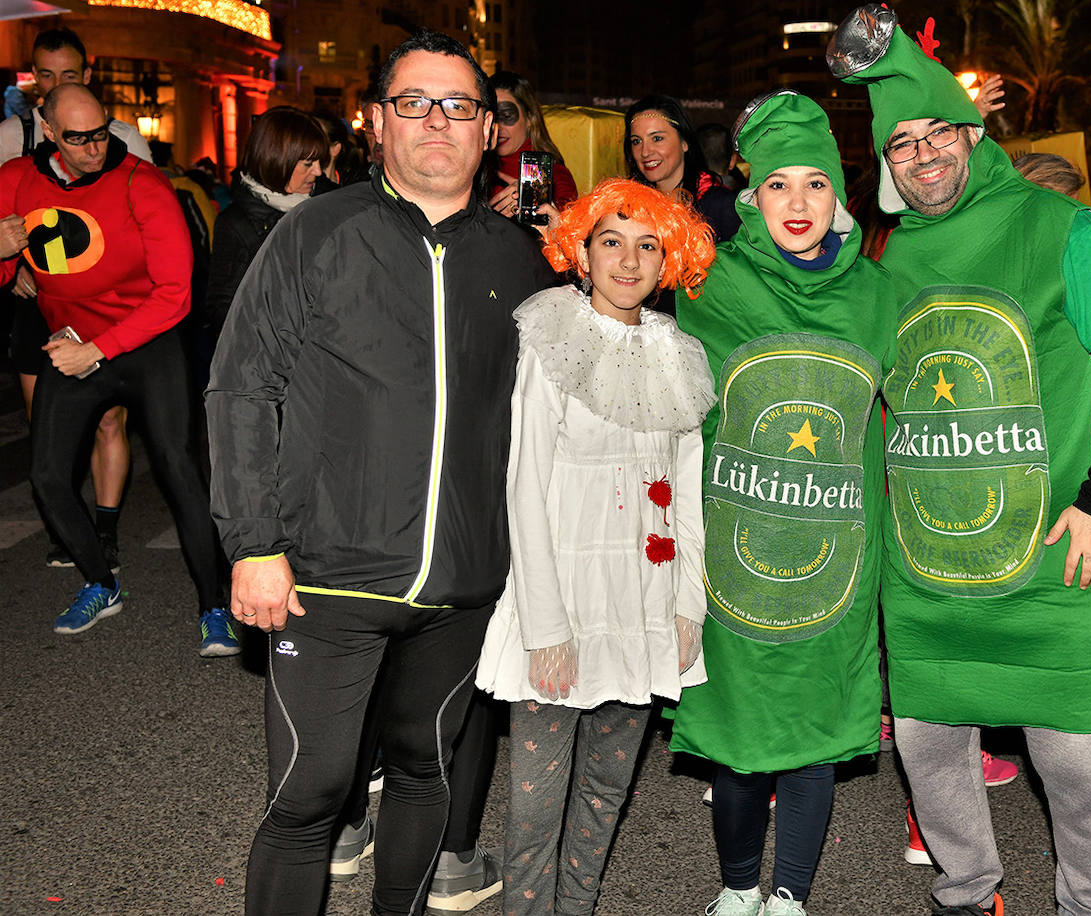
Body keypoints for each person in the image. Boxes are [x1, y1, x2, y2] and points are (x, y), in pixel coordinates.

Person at [205, 30, 555, 915]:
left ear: (489, 130)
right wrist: (252, 545)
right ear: (375, 122)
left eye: (460, 105)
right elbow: (241, 386)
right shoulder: (315, 233)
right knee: (309, 798)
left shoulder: (520, 262)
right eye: (414, 102)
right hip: (325, 578)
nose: (438, 121)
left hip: (464, 584)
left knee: (423, 772)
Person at [828, 6, 1091, 914]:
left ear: (977, 137)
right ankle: (968, 888)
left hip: (1060, 548)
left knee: (1081, 765)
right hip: (935, 565)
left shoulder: (1061, 229)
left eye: (939, 134)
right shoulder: (889, 262)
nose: (923, 155)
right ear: (888, 169)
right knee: (929, 750)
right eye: (902, 146)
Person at [670, 89, 897, 916]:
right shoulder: (709, 287)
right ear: (749, 195)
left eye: (814, 184)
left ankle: (790, 896)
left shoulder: (877, 295)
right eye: (777, 185)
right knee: (738, 738)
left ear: (838, 195)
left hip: (834, 559)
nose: (796, 204)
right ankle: (736, 891)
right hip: (735, 552)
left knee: (812, 741)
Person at [474, 176, 714, 914]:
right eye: (611, 241)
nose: (629, 260)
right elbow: (525, 485)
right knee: (536, 802)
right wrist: (546, 627)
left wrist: (688, 605)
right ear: (580, 250)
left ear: (669, 259)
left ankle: (577, 907)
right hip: (566, 598)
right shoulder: (553, 337)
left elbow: (689, 488)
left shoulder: (679, 351)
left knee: (608, 791)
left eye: (648, 245)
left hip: (643, 599)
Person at [0, 83, 230, 651]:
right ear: (48, 130)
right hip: (72, 341)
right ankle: (101, 583)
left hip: (145, 344)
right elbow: (9, 281)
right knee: (48, 477)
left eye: (100, 132)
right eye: (76, 137)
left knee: (179, 467)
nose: (92, 147)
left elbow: (176, 294)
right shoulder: (13, 180)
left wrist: (98, 350)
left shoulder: (142, 183)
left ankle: (216, 607)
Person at [3, 26, 154, 572]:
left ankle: (106, 529)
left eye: (68, 75)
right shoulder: (9, 137)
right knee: (44, 417)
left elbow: (144, 227)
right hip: (35, 303)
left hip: (104, 305)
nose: (55, 84)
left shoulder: (125, 139)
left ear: (86, 76)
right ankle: (67, 522)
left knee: (109, 419)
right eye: (45, 75)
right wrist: (12, 262)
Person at [205, 107, 328, 342]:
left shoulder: (325, 205)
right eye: (308, 164)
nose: (318, 171)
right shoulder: (237, 224)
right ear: (278, 160)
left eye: (319, 161)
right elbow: (222, 310)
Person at [623, 94, 741, 246]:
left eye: (657, 138)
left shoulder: (721, 205)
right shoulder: (627, 206)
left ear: (684, 142)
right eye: (636, 141)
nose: (645, 152)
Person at [486, 70, 577, 219]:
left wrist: (536, 202)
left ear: (530, 118)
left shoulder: (554, 175)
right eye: (492, 117)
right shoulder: (476, 169)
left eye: (507, 115)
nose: (498, 126)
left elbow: (569, 229)